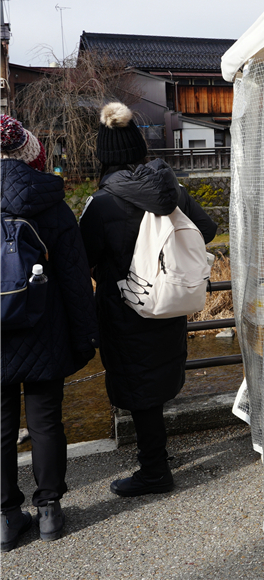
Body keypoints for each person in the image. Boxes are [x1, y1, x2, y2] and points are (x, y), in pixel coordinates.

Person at [79, 103, 216, 497]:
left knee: (138, 388)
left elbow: (82, 259)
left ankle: (154, 470)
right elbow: (205, 231)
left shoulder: (103, 204)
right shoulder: (172, 190)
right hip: (170, 301)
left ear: (105, 156)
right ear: (139, 148)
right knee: (156, 378)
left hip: (127, 307)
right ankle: (155, 456)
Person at [1, 115, 98, 551]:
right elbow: (77, 280)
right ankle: (49, 513)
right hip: (45, 328)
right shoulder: (52, 203)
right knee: (45, 421)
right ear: (30, 153)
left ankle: (5, 519)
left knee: (0, 427)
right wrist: (85, 336)